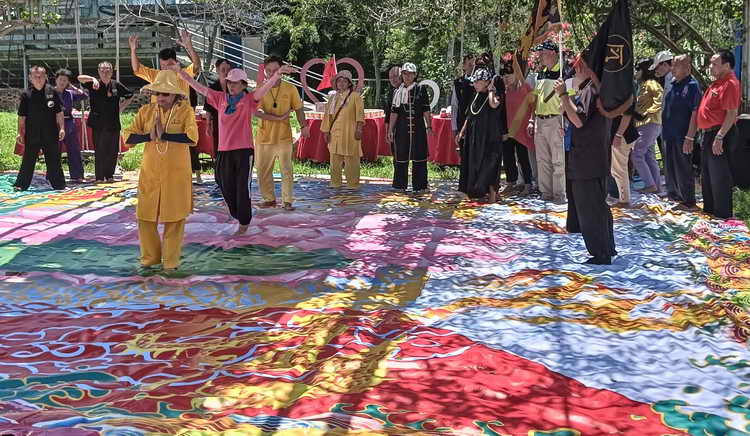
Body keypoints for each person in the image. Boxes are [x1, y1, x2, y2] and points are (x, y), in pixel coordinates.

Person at [175, 64, 295, 233]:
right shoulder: (220, 98)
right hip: (224, 151)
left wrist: (277, 74)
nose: (231, 85)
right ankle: (238, 215)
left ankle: (244, 224)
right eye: (230, 82)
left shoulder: (249, 99)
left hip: (243, 151)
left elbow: (264, 89)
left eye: (236, 83)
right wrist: (180, 72)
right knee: (222, 182)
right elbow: (198, 87)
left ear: (243, 85)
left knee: (242, 187)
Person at [123, 71, 198, 272]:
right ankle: (150, 260)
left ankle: (171, 263)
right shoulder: (146, 111)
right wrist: (148, 136)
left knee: (175, 219)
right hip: (151, 173)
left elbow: (192, 138)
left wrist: (164, 135)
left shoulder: (186, 111)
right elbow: (128, 137)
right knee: (145, 217)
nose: (161, 97)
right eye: (158, 93)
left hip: (176, 175)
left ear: (175, 95)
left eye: (165, 94)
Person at [555, 59, 615, 265]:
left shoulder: (591, 90)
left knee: (590, 208)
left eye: (578, 67)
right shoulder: (594, 90)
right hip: (593, 158)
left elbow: (579, 119)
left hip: (587, 159)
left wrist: (564, 95)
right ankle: (607, 247)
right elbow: (578, 119)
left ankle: (601, 252)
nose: (575, 71)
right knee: (598, 205)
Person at [129, 30, 204, 184]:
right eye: (163, 65)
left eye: (169, 65)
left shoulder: (183, 73)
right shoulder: (157, 75)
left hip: (180, 119)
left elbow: (197, 65)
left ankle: (194, 176)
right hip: (159, 119)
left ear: (175, 62)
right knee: (158, 148)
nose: (166, 69)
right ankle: (159, 179)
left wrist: (189, 46)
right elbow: (137, 69)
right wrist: (133, 50)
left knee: (189, 146)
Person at [254, 55, 310, 211]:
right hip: (264, 136)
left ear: (281, 70)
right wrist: (273, 117)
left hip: (284, 136)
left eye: (275, 70)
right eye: (269, 71)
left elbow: (298, 108)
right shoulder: (260, 88)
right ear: (264, 71)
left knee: (286, 170)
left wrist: (303, 126)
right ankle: (269, 199)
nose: (272, 73)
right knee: (263, 170)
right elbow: (256, 111)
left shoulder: (290, 88)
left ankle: (287, 201)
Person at [695, 49, 741, 219]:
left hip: (720, 133)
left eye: (715, 64)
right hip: (709, 134)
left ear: (726, 65)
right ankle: (710, 211)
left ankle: (722, 215)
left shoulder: (730, 83)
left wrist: (719, 137)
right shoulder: (717, 83)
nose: (710, 66)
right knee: (707, 176)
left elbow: (731, 113)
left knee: (719, 177)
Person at [77, 62, 133, 183]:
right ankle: (99, 177)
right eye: (102, 70)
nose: (105, 73)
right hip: (98, 122)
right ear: (98, 71)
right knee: (100, 150)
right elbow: (79, 78)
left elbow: (130, 95)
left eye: (107, 70)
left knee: (112, 150)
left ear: (112, 72)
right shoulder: (93, 84)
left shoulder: (116, 85)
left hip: (113, 122)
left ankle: (109, 175)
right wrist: (92, 79)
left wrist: (121, 107)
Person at [13, 66, 66, 191]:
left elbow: (59, 113)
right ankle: (21, 185)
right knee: (28, 160)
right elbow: (22, 116)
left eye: (41, 76)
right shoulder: (26, 94)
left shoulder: (52, 92)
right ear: (30, 78)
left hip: (50, 132)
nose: (38, 79)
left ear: (45, 77)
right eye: (35, 76)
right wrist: (20, 133)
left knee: (54, 160)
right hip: (32, 133)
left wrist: (62, 128)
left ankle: (59, 185)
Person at [456, 67, 505, 202]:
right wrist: (462, 131)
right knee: (475, 164)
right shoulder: (475, 95)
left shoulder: (495, 94)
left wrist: (491, 89)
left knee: (490, 165)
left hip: (490, 136)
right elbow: (470, 115)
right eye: (475, 82)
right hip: (475, 136)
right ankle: (477, 191)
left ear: (486, 82)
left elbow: (493, 105)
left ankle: (493, 193)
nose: (475, 84)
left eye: (478, 82)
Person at [527, 41, 566, 203]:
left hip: (556, 119)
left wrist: (565, 122)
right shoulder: (541, 73)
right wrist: (532, 119)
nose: (540, 56)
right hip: (540, 120)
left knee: (558, 159)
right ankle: (546, 193)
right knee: (542, 159)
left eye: (543, 53)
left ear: (553, 53)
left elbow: (569, 97)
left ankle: (559, 194)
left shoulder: (563, 72)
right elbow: (535, 98)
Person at [662, 54, 701, 210]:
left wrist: (690, 137)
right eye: (672, 64)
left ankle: (688, 201)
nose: (672, 68)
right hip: (669, 133)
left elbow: (695, 113)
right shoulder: (672, 84)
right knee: (670, 166)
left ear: (687, 67)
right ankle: (675, 195)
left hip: (683, 135)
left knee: (683, 167)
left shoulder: (692, 85)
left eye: (676, 65)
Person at [388, 62, 431, 192]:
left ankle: (420, 185)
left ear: (415, 75)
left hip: (418, 129)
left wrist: (429, 126)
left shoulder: (421, 89)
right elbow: (394, 112)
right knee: (401, 157)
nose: (407, 76)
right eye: (405, 74)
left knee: (419, 157)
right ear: (402, 75)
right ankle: (400, 185)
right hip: (402, 129)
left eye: (410, 74)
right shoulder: (397, 92)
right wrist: (390, 129)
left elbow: (426, 109)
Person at [321, 70, 365, 189]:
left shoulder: (355, 96)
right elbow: (328, 116)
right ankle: (335, 183)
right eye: (339, 81)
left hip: (350, 132)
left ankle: (353, 184)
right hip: (335, 132)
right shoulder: (332, 97)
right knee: (334, 159)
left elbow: (360, 114)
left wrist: (359, 129)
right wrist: (326, 131)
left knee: (352, 159)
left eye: (344, 81)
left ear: (349, 83)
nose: (341, 83)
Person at [502, 62, 535, 195]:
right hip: (508, 130)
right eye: (504, 76)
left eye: (508, 75)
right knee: (508, 158)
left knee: (523, 158)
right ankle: (511, 183)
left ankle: (528, 184)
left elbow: (534, 105)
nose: (506, 78)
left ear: (516, 74)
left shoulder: (525, 88)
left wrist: (532, 120)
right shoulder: (504, 91)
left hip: (522, 130)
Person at [631, 59, 663, 195]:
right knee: (649, 156)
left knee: (636, 155)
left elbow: (660, 99)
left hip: (649, 124)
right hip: (647, 125)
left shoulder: (651, 84)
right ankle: (656, 187)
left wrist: (645, 113)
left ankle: (650, 185)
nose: (635, 72)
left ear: (644, 70)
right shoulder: (643, 85)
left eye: (637, 69)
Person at [54, 68, 88, 184]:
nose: (62, 82)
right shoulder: (50, 93)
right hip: (54, 124)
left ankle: (77, 176)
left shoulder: (70, 93)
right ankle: (53, 176)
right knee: (54, 151)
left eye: (65, 80)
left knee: (74, 150)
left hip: (69, 123)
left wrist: (73, 87)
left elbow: (84, 95)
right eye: (60, 79)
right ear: (56, 80)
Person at [609, 102, 639, 207]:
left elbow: (627, 114)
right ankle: (623, 199)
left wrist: (618, 135)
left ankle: (624, 200)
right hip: (621, 135)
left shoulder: (623, 94)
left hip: (622, 136)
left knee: (619, 170)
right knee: (616, 170)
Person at [203, 58, 232, 158]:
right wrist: (208, 125)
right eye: (223, 70)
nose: (226, 72)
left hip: (233, 124)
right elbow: (208, 108)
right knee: (219, 149)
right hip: (218, 123)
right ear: (217, 70)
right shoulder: (213, 88)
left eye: (228, 70)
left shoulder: (236, 86)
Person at [451, 54, 475, 141]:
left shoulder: (481, 82)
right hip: (462, 121)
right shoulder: (458, 83)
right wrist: (454, 127)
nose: (472, 67)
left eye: (474, 65)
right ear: (464, 66)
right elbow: (455, 105)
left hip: (476, 124)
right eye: (469, 65)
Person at [384, 64, 402, 133]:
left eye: (395, 76)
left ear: (401, 76)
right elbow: (388, 113)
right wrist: (387, 131)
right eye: (390, 77)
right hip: (394, 130)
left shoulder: (410, 91)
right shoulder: (391, 93)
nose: (393, 79)